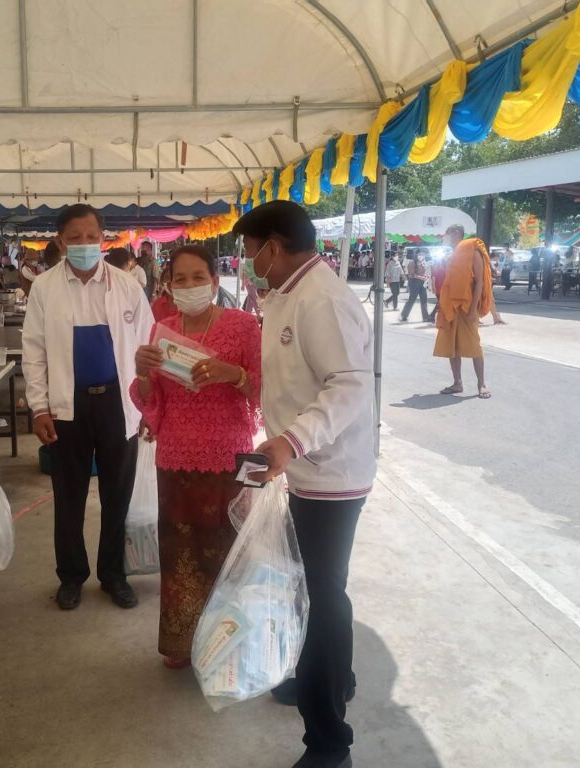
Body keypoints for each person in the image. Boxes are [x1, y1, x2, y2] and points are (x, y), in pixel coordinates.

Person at [232, 201, 375, 768]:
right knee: (314, 588)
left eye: (250, 251)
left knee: (319, 598)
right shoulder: (286, 294)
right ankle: (335, 677)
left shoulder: (322, 298)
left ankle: (328, 742)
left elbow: (349, 387)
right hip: (302, 466)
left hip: (331, 471)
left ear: (273, 245)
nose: (247, 261)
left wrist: (290, 442)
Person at [130, 244, 261, 669]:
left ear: (215, 281)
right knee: (181, 556)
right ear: (168, 286)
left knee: (228, 554)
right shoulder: (162, 330)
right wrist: (142, 373)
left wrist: (233, 374)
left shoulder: (244, 327)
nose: (189, 286)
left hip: (231, 458)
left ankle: (227, 646)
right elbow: (152, 402)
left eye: (198, 277)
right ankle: (182, 642)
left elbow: (263, 389)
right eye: (180, 279)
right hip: (175, 459)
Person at [22, 203, 153, 612]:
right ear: (61, 242)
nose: (84, 244)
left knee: (118, 495)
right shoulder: (45, 288)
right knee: (69, 496)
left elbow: (148, 345)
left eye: (91, 236)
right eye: (74, 238)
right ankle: (71, 576)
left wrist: (148, 403)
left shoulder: (126, 285)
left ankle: (114, 575)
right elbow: (34, 351)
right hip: (67, 406)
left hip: (118, 402)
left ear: (103, 238)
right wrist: (39, 408)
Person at [434, 225, 493, 399]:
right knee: (452, 346)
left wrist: (473, 309)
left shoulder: (472, 250)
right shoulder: (452, 255)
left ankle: (481, 384)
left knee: (474, 346)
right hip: (450, 307)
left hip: (467, 307)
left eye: (447, 234)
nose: (446, 238)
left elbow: (480, 282)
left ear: (456, 233)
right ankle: (457, 382)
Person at [400, 249, 430, 322]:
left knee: (424, 299)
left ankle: (425, 317)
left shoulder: (424, 262)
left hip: (422, 283)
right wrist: (420, 277)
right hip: (414, 282)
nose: (422, 256)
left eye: (423, 254)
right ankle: (404, 315)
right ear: (417, 254)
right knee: (412, 299)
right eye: (420, 254)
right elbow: (411, 274)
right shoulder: (412, 262)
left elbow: (426, 272)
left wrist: (426, 277)